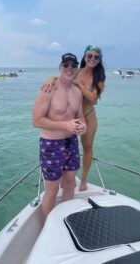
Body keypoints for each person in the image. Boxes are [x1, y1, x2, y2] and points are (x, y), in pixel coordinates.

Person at [41, 45, 106, 191]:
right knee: (66, 147)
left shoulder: (99, 77)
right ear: (84, 57)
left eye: (96, 57)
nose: (92, 59)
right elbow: (64, 77)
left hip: (88, 117)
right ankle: (66, 177)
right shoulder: (77, 70)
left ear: (100, 60)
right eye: (89, 55)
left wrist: (80, 85)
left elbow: (93, 97)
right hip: (72, 116)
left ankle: (83, 180)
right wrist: (52, 78)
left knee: (87, 147)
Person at [32, 53, 87, 220]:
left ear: (77, 68)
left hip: (71, 142)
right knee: (52, 189)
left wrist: (83, 127)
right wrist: (65, 125)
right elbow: (36, 120)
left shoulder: (77, 91)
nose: (69, 68)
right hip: (51, 144)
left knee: (70, 183)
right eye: (66, 65)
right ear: (60, 67)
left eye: (73, 65)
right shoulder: (49, 89)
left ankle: (66, 220)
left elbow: (80, 117)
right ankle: (49, 228)